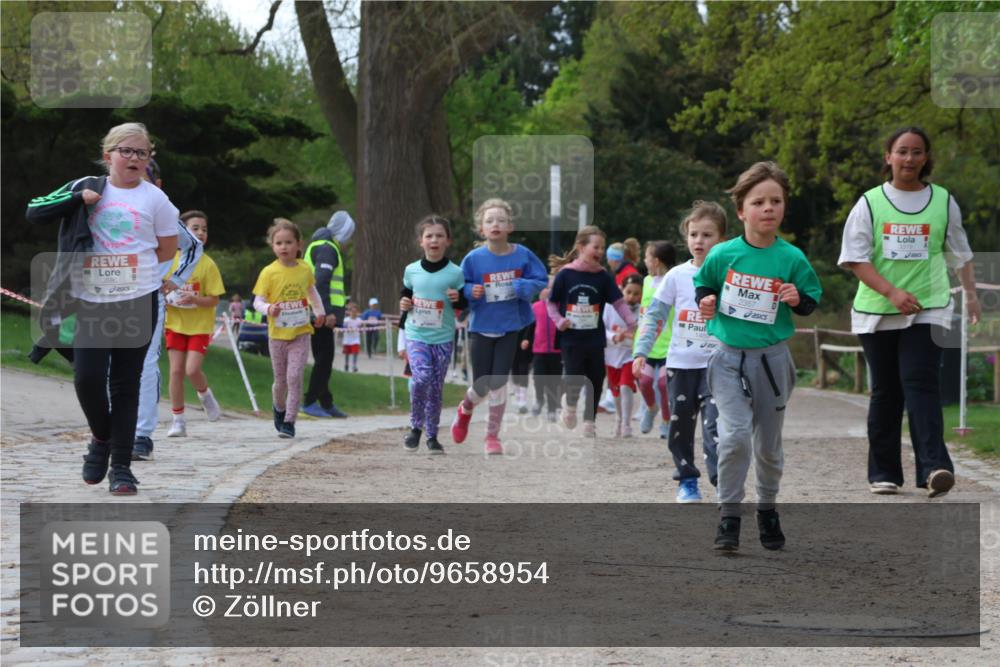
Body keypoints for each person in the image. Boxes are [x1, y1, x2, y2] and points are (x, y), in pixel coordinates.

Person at [25, 122, 180, 495]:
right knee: (88, 377)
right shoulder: (86, 186)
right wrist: (77, 201)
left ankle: (122, 469)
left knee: (125, 385)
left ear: (148, 160)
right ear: (107, 154)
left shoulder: (156, 201)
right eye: (126, 151)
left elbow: (166, 250)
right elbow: (34, 210)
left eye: (141, 153)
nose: (134, 159)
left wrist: (131, 270)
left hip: (137, 298)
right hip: (90, 299)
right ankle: (100, 437)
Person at [839, 126, 979, 499]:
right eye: (902, 151)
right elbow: (855, 258)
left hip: (929, 306)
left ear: (926, 158)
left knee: (921, 382)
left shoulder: (943, 201)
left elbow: (959, 252)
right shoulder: (869, 203)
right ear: (888, 157)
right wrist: (891, 292)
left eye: (917, 152)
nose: (909, 159)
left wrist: (971, 295)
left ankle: (935, 468)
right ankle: (884, 473)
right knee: (886, 391)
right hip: (877, 311)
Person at [695, 161, 822, 551]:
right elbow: (703, 284)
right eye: (759, 202)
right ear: (741, 211)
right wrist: (707, 301)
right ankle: (729, 515)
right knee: (734, 438)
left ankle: (767, 508)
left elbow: (810, 299)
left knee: (768, 444)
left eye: (776, 201)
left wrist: (797, 299)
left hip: (772, 360)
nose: (768, 208)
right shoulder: (723, 254)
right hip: (729, 358)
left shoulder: (792, 257)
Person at [634, 202, 726, 503]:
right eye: (694, 234)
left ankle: (722, 480)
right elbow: (655, 316)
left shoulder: (730, 273)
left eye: (707, 235)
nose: (699, 241)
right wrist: (641, 351)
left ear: (721, 239)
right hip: (681, 365)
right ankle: (687, 480)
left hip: (720, 366)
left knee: (717, 428)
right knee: (680, 427)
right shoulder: (676, 275)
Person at [450, 198, 548, 455]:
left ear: (510, 227)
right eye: (490, 220)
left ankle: (492, 436)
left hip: (510, 326)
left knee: (499, 382)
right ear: (481, 229)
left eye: (501, 220)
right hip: (481, 325)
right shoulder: (473, 259)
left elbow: (540, 279)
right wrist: (472, 290)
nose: (496, 224)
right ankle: (465, 410)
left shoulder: (522, 255)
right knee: (482, 384)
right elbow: (459, 288)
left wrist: (523, 287)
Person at [132, 158, 204, 462]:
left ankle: (141, 435)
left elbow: (192, 246)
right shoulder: (108, 207)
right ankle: (109, 429)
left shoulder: (163, 214)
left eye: (143, 176)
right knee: (106, 364)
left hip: (149, 295)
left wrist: (175, 279)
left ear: (157, 185)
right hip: (109, 297)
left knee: (146, 363)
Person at [547, 225, 637, 436]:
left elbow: (618, 302)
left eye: (602, 248)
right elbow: (551, 304)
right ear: (581, 247)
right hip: (571, 338)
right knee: (574, 376)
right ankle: (569, 405)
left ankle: (589, 422)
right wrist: (559, 321)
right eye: (595, 247)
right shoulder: (565, 275)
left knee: (596, 378)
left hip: (595, 338)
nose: (599, 252)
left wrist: (631, 322)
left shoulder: (602, 277)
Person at [252, 219, 327, 438]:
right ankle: (278, 407)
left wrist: (319, 311)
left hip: (300, 332)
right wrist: (268, 308)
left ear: (298, 244)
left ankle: (289, 422)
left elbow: (311, 291)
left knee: (295, 377)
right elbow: (257, 301)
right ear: (272, 246)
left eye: (288, 242)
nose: (284, 247)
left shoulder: (304, 269)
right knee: (281, 381)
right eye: (279, 243)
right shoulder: (268, 272)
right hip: (277, 335)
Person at [399, 215, 467, 453]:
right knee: (421, 378)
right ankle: (415, 427)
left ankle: (432, 435)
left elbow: (463, 304)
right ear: (421, 241)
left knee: (436, 388)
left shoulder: (455, 273)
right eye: (429, 236)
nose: (434, 240)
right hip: (416, 334)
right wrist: (404, 305)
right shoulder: (411, 270)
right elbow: (405, 296)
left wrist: (459, 299)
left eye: (439, 235)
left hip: (443, 337)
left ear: (447, 240)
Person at [164, 210, 225, 438]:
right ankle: (178, 420)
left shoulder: (208, 264)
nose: (200, 232)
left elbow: (214, 299)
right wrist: (168, 296)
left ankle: (205, 394)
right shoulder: (171, 260)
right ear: (182, 232)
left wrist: (195, 299)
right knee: (177, 371)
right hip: (175, 323)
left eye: (204, 229)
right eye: (195, 228)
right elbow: (161, 288)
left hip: (200, 326)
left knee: (192, 369)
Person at [301, 211, 353, 418]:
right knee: (324, 358)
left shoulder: (319, 245)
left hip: (316, 312)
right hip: (320, 314)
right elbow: (320, 281)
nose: (350, 240)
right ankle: (310, 402)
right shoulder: (327, 248)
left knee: (324, 357)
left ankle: (326, 402)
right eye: (350, 234)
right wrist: (327, 312)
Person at [636, 241, 677, 437]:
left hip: (668, 344)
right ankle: (651, 409)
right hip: (647, 344)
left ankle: (667, 420)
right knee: (644, 382)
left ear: (656, 261)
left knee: (663, 384)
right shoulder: (645, 282)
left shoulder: (673, 280)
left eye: (646, 257)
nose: (644, 261)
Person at [604, 273, 643, 437]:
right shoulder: (609, 307)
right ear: (622, 289)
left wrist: (635, 337)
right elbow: (602, 328)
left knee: (626, 386)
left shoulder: (642, 310)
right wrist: (614, 336)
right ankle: (619, 419)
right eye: (628, 292)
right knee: (616, 391)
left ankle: (627, 424)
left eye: (636, 293)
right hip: (612, 355)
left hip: (630, 355)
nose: (631, 297)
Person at [530, 279, 562, 421]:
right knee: (538, 378)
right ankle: (538, 399)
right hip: (539, 349)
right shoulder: (535, 307)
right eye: (545, 288)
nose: (548, 291)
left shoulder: (561, 307)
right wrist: (525, 340)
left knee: (554, 381)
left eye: (551, 288)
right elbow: (529, 327)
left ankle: (552, 408)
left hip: (556, 350)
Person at [511, 324, 534, 414]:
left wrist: (527, 339)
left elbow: (532, 325)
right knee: (515, 371)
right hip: (512, 342)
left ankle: (523, 401)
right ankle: (518, 399)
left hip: (525, 342)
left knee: (523, 370)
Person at [342, 301, 362, 372]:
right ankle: (346, 364)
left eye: (355, 312)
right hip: (347, 340)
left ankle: (354, 366)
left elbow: (361, 329)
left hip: (355, 339)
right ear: (350, 312)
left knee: (355, 353)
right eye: (352, 312)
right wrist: (347, 329)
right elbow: (343, 328)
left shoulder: (359, 320)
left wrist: (359, 329)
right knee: (347, 353)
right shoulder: (346, 320)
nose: (354, 313)